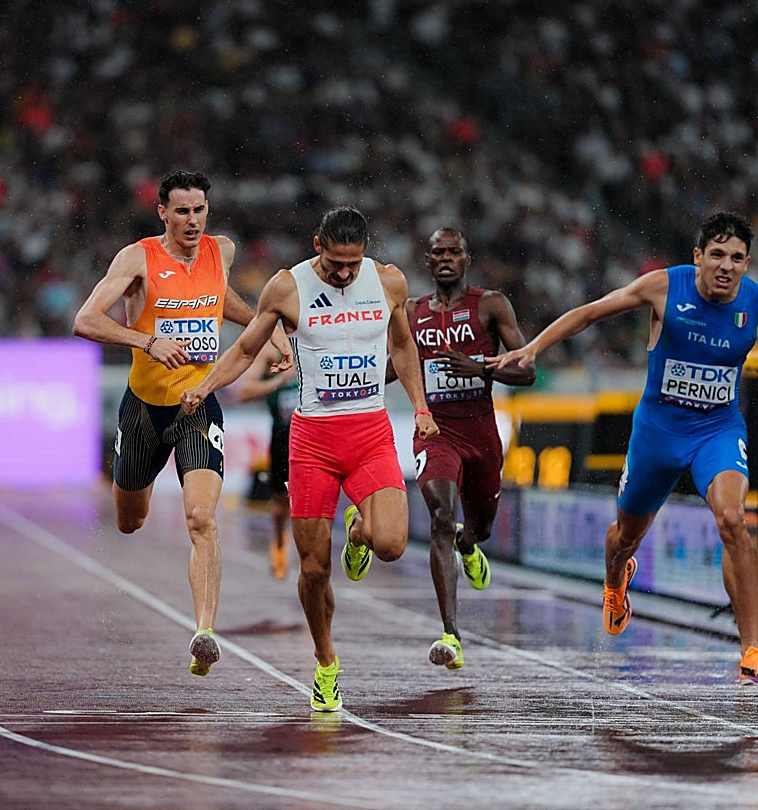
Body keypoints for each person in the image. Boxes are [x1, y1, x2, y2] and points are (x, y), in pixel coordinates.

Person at [181, 205, 438, 711]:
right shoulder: (286, 287)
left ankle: (359, 530)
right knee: (314, 569)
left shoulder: (388, 282)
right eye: (337, 263)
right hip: (313, 442)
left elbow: (404, 348)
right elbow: (246, 347)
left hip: (369, 432)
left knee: (390, 544)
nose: (345, 273)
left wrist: (422, 406)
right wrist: (205, 385)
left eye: (354, 263)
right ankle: (325, 661)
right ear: (318, 244)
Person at [492, 211, 758, 683]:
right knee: (623, 538)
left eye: (737, 258)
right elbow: (589, 313)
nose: (726, 266)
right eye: (716, 254)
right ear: (698, 257)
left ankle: (752, 649)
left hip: (718, 429)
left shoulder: (754, 302)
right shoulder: (664, 287)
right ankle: (615, 580)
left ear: (747, 262)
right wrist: (533, 348)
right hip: (658, 433)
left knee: (733, 520)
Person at [72, 169, 291, 678]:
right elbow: (85, 320)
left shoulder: (222, 251)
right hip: (144, 410)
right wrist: (147, 341)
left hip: (198, 406)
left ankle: (204, 632)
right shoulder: (137, 259)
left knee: (201, 520)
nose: (193, 221)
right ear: (163, 213)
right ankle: (134, 490)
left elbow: (220, 301)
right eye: (183, 211)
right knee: (130, 520)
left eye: (200, 211)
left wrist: (268, 327)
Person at [388, 227, 536, 671]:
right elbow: (396, 361)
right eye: (438, 252)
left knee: (478, 528)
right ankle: (451, 634)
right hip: (436, 431)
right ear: (428, 260)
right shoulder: (412, 311)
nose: (446, 258)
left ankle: (470, 546)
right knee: (439, 517)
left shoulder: (491, 305)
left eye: (454, 251)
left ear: (467, 258)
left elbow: (528, 372)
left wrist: (482, 368)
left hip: (482, 433)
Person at [235, 343, 298, 580]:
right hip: (283, 436)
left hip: (314, 433)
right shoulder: (269, 353)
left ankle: (307, 549)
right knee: (281, 500)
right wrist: (278, 382)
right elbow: (244, 391)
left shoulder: (316, 342)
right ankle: (280, 543)